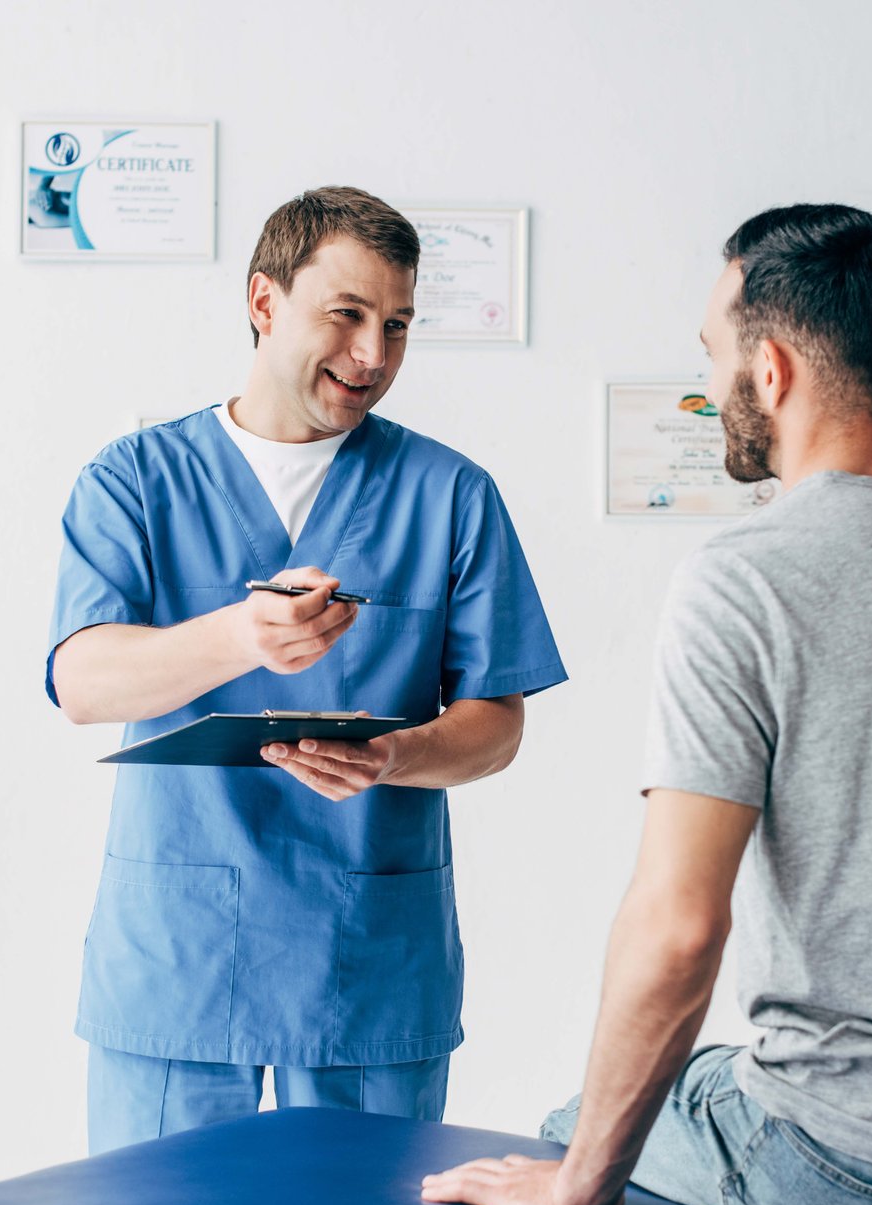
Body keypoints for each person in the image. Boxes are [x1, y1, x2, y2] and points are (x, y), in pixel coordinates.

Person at [423, 204, 872, 1205]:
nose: (708, 384)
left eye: (712, 355)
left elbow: (677, 930)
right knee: (708, 1078)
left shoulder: (745, 581)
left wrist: (579, 1183)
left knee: (569, 1127)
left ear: (768, 368)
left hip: (865, 1166)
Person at [47, 186, 566, 1152]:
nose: (374, 355)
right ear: (263, 302)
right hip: (181, 950)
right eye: (347, 315)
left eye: (398, 326)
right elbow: (84, 683)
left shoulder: (449, 495)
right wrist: (241, 639)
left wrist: (393, 758)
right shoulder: (134, 481)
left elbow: (498, 725)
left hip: (364, 945)